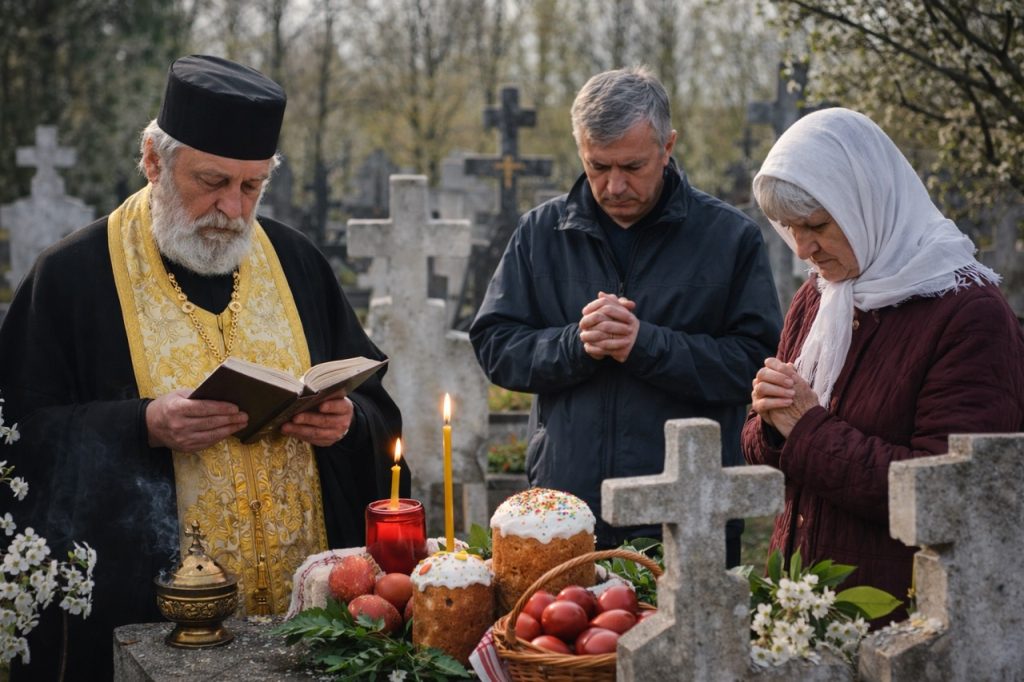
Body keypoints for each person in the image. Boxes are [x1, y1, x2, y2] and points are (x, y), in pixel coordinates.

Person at [1, 55, 406, 680]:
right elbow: (19, 436)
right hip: (145, 622)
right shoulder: (72, 276)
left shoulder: (297, 261)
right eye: (212, 181)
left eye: (252, 187)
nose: (232, 209)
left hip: (309, 626)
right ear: (154, 159)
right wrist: (140, 426)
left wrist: (347, 423)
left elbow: (378, 409)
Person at [469, 66, 782, 556]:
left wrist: (646, 344)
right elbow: (494, 344)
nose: (613, 186)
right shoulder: (540, 233)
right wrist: (575, 344)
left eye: (632, 167)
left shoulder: (729, 238)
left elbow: (755, 363)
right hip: (566, 511)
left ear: (668, 147)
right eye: (598, 166)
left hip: (685, 510)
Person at [742, 107, 1024, 619]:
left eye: (817, 225)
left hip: (907, 614)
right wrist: (771, 419)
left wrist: (805, 428)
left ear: (865, 203)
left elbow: (952, 494)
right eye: (788, 228)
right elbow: (767, 447)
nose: (803, 248)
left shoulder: (966, 314)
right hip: (801, 600)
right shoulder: (823, 294)